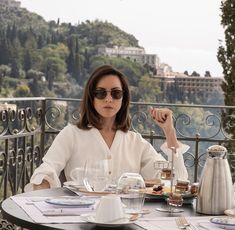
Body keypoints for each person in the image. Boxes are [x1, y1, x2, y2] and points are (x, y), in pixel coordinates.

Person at [25, 64, 189, 191]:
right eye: (101, 93)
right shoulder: (71, 135)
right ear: (92, 97)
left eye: (116, 93)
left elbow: (176, 180)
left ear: (123, 99)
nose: (108, 99)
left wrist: (169, 131)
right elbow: (48, 169)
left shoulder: (136, 143)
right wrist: (42, 190)